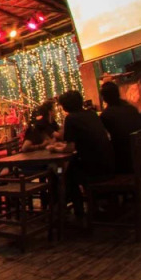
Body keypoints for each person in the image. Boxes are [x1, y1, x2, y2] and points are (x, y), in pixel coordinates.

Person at [48, 90, 114, 219]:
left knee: (64, 173)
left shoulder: (71, 119)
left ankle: (75, 211)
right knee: (68, 169)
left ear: (65, 106)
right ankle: (83, 207)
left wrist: (55, 149)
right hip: (108, 165)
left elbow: (70, 147)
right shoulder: (91, 114)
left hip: (94, 170)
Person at [98, 81, 141, 174]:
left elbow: (102, 138)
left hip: (125, 163)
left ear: (104, 98)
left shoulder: (106, 115)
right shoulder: (132, 109)